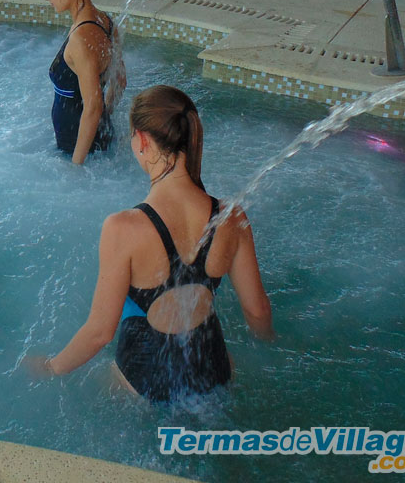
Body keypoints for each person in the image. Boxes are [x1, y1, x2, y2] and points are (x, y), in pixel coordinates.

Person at [28, 86, 274, 401]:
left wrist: (50, 368)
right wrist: (268, 346)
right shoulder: (232, 217)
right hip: (212, 370)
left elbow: (100, 332)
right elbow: (257, 310)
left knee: (103, 386)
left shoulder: (123, 228)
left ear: (143, 140)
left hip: (147, 377)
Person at [39, 0, 125, 164]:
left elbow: (93, 107)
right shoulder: (106, 22)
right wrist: (107, 119)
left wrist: (75, 168)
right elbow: (120, 80)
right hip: (98, 140)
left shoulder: (81, 40)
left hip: (78, 147)